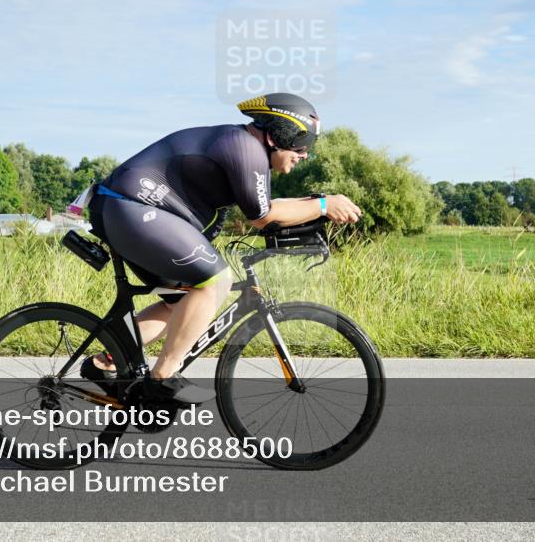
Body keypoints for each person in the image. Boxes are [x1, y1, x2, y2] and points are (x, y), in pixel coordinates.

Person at [82, 93, 362, 403]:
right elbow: (263, 216)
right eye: (301, 145)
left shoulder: (249, 150)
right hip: (131, 207)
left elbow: (268, 207)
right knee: (215, 280)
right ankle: (162, 378)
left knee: (182, 304)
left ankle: (105, 363)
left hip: (126, 209)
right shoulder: (245, 148)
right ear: (279, 135)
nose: (304, 155)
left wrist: (318, 204)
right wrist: (322, 205)